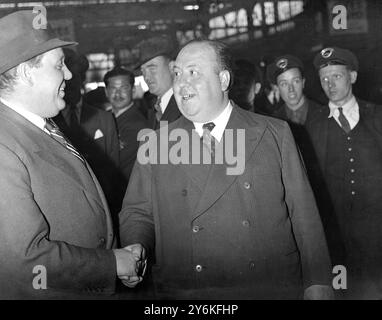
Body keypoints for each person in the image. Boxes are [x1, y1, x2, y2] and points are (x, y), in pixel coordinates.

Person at [119, 39, 333, 299]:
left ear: (223, 80)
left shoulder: (273, 133)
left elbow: (304, 214)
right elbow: (138, 211)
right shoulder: (157, 143)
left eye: (193, 72)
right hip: (190, 291)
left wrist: (318, 281)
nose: (181, 83)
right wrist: (135, 245)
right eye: (177, 74)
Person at [0, 10, 144, 299]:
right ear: (27, 72)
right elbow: (27, 260)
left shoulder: (40, 123)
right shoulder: (4, 144)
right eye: (59, 65)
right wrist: (112, 263)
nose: (69, 74)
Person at [310, 47, 382, 299]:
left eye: (336, 76)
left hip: (376, 229)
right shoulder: (313, 124)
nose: (329, 84)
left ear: (352, 76)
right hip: (335, 232)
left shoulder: (377, 116)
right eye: (324, 79)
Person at [54, 48, 121, 222]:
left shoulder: (104, 119)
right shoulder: (48, 121)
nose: (68, 83)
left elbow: (114, 170)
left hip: (103, 206)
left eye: (75, 77)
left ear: (83, 79)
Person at [104, 67, 149, 210]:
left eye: (123, 88)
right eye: (112, 88)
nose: (118, 94)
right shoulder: (104, 118)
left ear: (133, 91)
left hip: (125, 197)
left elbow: (114, 163)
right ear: (106, 91)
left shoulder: (138, 124)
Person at [136, 35, 181, 129]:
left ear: (172, 67)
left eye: (152, 68)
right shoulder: (155, 110)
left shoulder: (185, 107)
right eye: (143, 71)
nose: (146, 77)